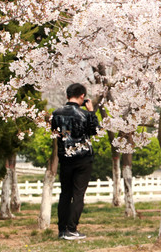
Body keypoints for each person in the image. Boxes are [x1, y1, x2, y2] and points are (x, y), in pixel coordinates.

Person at [52, 83, 99, 240]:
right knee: (78, 194)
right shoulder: (85, 114)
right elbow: (94, 131)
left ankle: (62, 230)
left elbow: (55, 133)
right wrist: (91, 111)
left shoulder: (56, 114)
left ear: (67, 96)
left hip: (65, 158)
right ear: (82, 96)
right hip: (83, 159)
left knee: (65, 194)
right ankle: (72, 230)